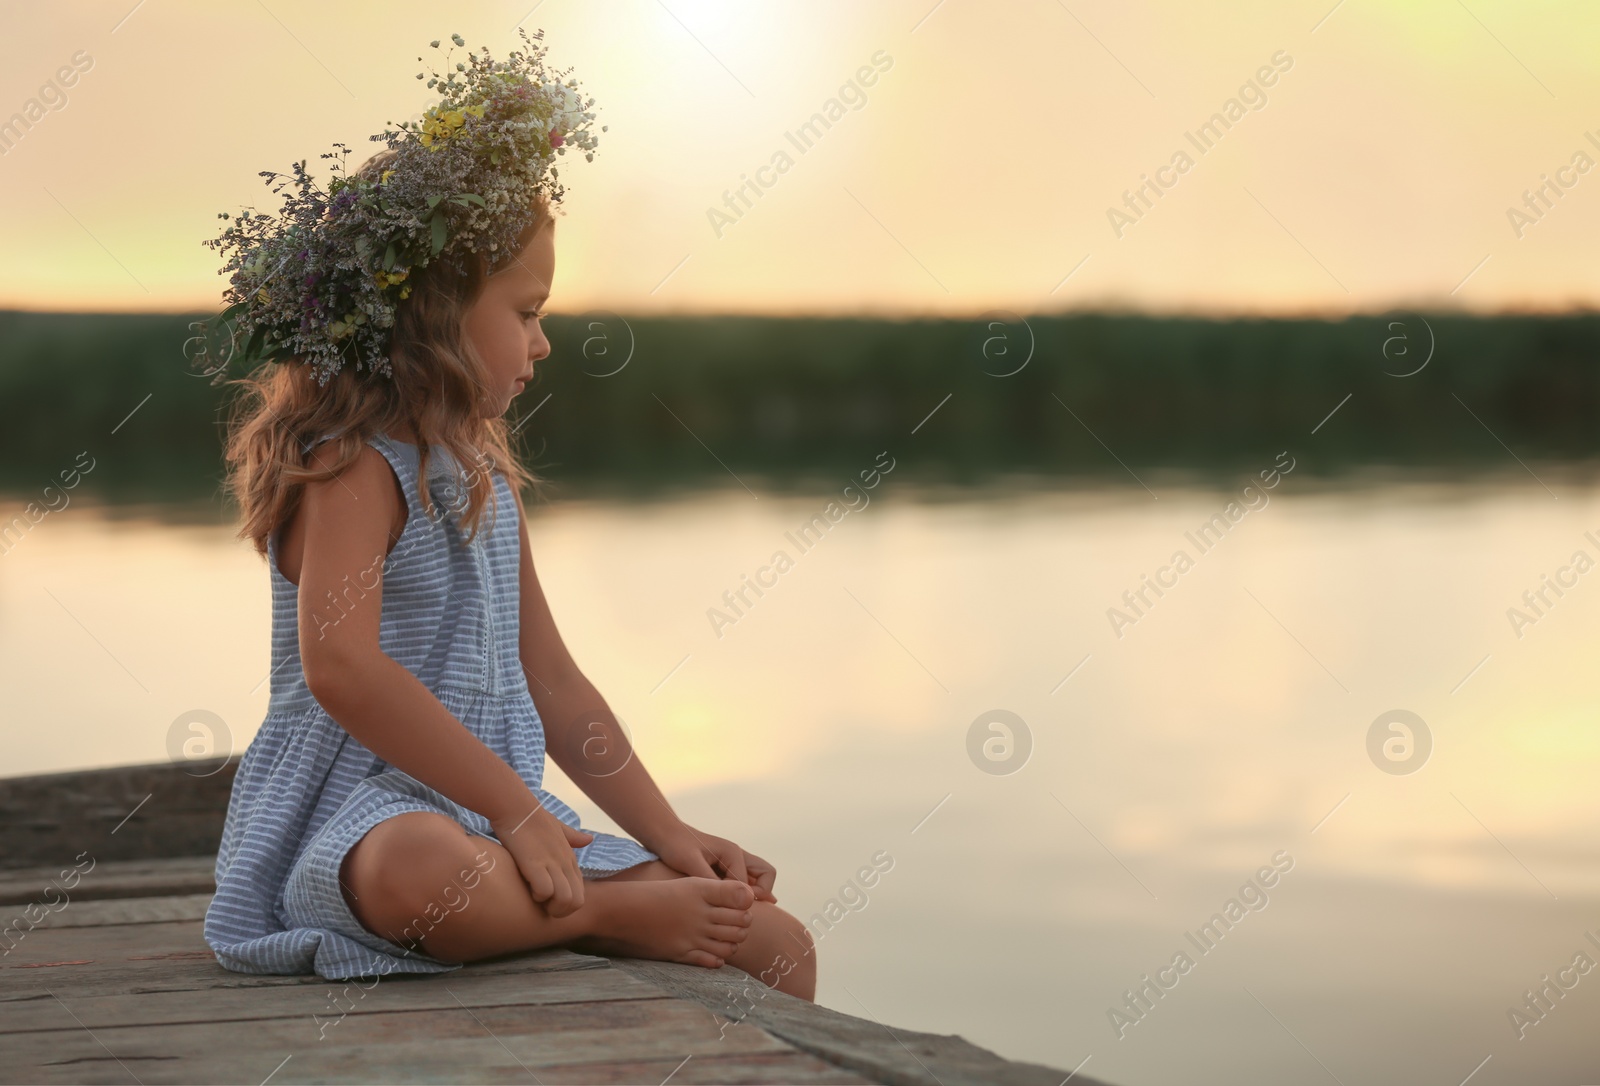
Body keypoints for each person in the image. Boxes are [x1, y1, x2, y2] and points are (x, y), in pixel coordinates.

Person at [198, 30, 815, 999]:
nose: (543, 341)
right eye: (525, 312)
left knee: (776, 944)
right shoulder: (352, 467)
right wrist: (517, 817)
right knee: (421, 873)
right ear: (436, 311)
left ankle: (576, 908)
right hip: (364, 817)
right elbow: (342, 667)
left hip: (496, 819)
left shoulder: (476, 473)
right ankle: (603, 918)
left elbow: (557, 682)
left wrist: (667, 833)